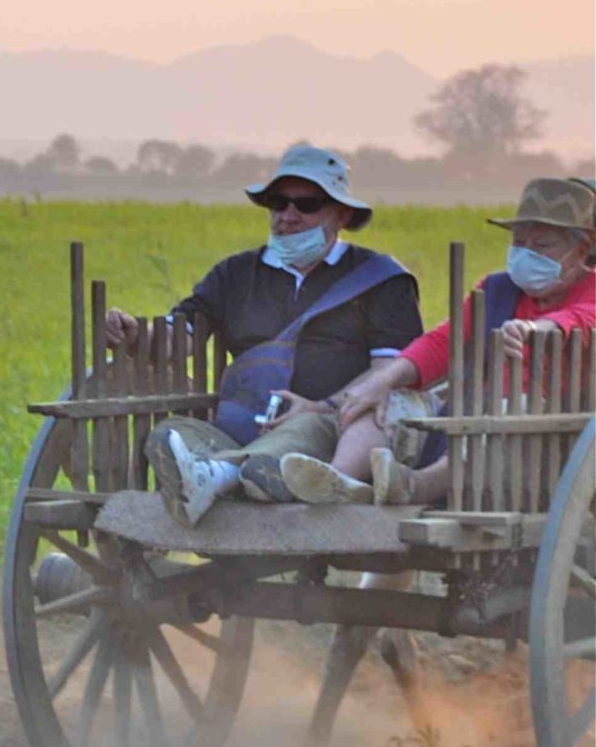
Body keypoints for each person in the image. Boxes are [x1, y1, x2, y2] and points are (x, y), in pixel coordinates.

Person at [101, 143, 423, 527]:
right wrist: (138, 335)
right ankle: (225, 475)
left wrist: (322, 406)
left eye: (307, 204)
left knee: (289, 443)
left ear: (342, 213)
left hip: (327, 427)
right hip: (236, 429)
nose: (288, 215)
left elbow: (389, 372)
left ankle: (222, 477)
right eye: (277, 202)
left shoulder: (381, 280)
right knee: (170, 435)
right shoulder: (234, 274)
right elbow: (182, 333)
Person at [283, 176, 596, 506]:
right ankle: (338, 481)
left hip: (543, 439)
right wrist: (383, 381)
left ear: (581, 249)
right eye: (519, 242)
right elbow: (443, 342)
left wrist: (536, 329)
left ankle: (415, 486)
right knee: (384, 401)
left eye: (543, 245)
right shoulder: (497, 289)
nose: (527, 253)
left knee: (498, 415)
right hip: (472, 408)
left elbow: (582, 319)